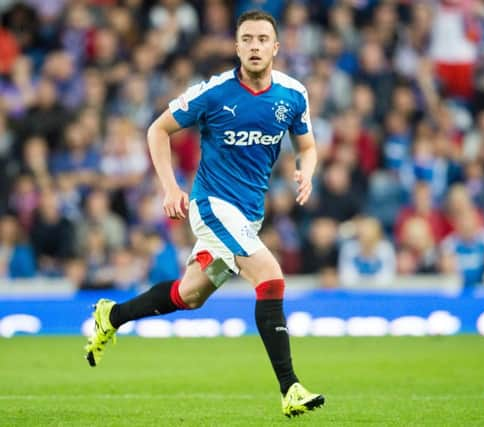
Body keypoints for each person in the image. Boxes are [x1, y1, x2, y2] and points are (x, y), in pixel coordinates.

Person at [83, 10, 324, 418]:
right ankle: (291, 387)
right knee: (270, 276)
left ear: (276, 47)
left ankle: (113, 315)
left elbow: (307, 146)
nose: (254, 46)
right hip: (211, 205)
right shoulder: (212, 94)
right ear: (236, 46)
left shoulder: (292, 95)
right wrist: (170, 186)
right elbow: (157, 130)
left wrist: (308, 172)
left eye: (262, 39)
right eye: (246, 38)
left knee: (188, 295)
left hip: (249, 214)